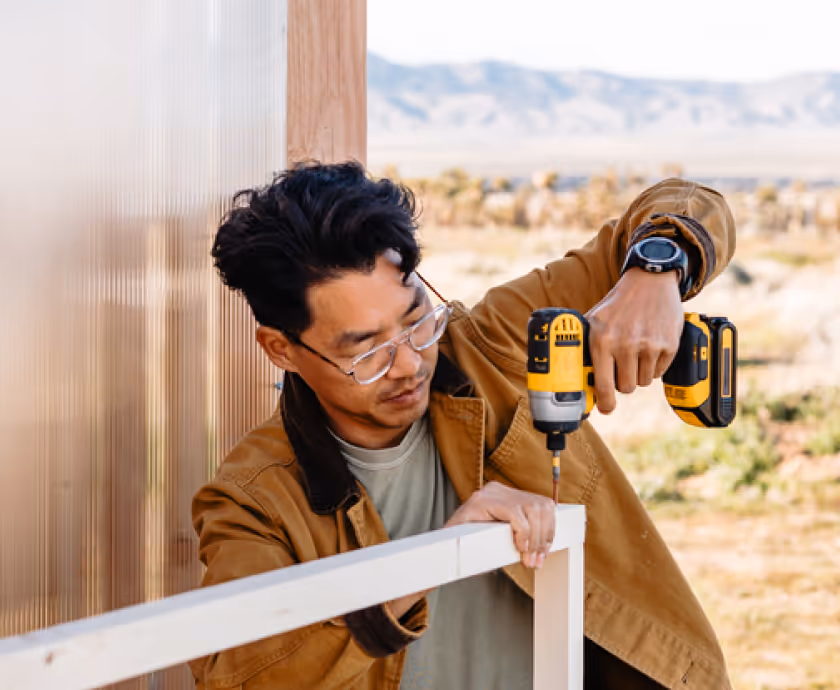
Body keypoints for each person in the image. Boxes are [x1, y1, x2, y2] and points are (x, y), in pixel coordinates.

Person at [189, 161, 735, 690]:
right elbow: (243, 675)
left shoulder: (492, 347)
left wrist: (655, 270)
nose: (408, 363)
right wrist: (441, 553)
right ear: (280, 348)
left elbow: (691, 204)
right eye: (366, 350)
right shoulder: (251, 500)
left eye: (416, 320)